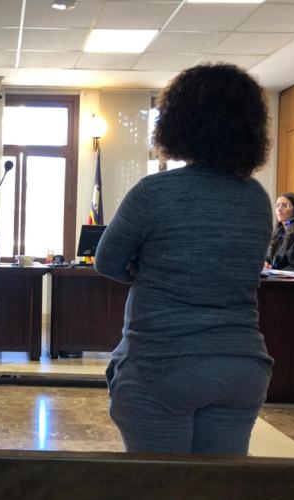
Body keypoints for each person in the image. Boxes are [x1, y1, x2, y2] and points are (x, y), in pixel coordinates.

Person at [95, 64, 274, 455]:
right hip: (240, 365)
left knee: (159, 483)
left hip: (162, 362)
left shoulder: (153, 192)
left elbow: (106, 261)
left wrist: (148, 271)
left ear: (177, 122)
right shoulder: (257, 198)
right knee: (219, 483)